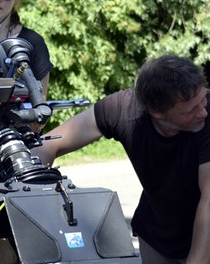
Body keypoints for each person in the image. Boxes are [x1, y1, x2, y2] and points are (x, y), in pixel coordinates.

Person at [33, 54, 210, 263]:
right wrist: (36, 206)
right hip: (158, 235)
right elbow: (47, 144)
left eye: (203, 99)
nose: (203, 112)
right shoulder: (124, 108)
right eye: (191, 110)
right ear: (157, 112)